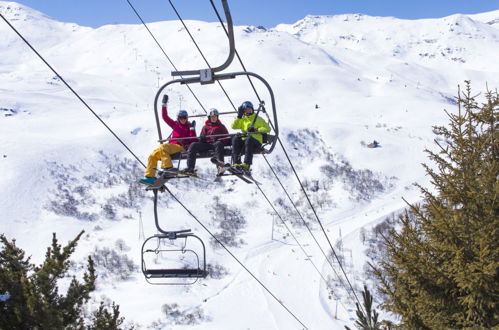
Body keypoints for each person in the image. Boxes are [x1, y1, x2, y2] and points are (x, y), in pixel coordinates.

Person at [140, 95, 196, 185]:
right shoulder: (175, 125)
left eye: (184, 117)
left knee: (163, 146)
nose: (183, 119)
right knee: (152, 155)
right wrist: (164, 105)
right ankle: (150, 177)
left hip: (180, 147)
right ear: (178, 118)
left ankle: (168, 167)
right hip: (170, 148)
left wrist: (192, 129)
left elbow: (193, 140)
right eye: (181, 117)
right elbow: (165, 116)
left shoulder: (189, 127)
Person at [183, 108, 230, 174]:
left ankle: (220, 167)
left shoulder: (221, 126)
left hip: (216, 144)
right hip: (207, 144)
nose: (213, 118)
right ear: (209, 118)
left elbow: (227, 138)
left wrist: (220, 139)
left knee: (219, 144)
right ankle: (190, 167)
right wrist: (202, 138)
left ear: (217, 117)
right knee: (193, 145)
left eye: (215, 117)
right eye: (212, 117)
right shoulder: (205, 127)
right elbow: (201, 139)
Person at [231, 101, 271, 174]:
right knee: (235, 139)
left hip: (256, 142)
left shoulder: (258, 119)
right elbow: (234, 126)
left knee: (249, 139)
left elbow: (268, 128)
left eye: (249, 109)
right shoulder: (243, 120)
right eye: (246, 109)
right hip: (246, 141)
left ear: (252, 109)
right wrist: (239, 116)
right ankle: (237, 163)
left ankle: (247, 164)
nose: (248, 110)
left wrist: (257, 129)